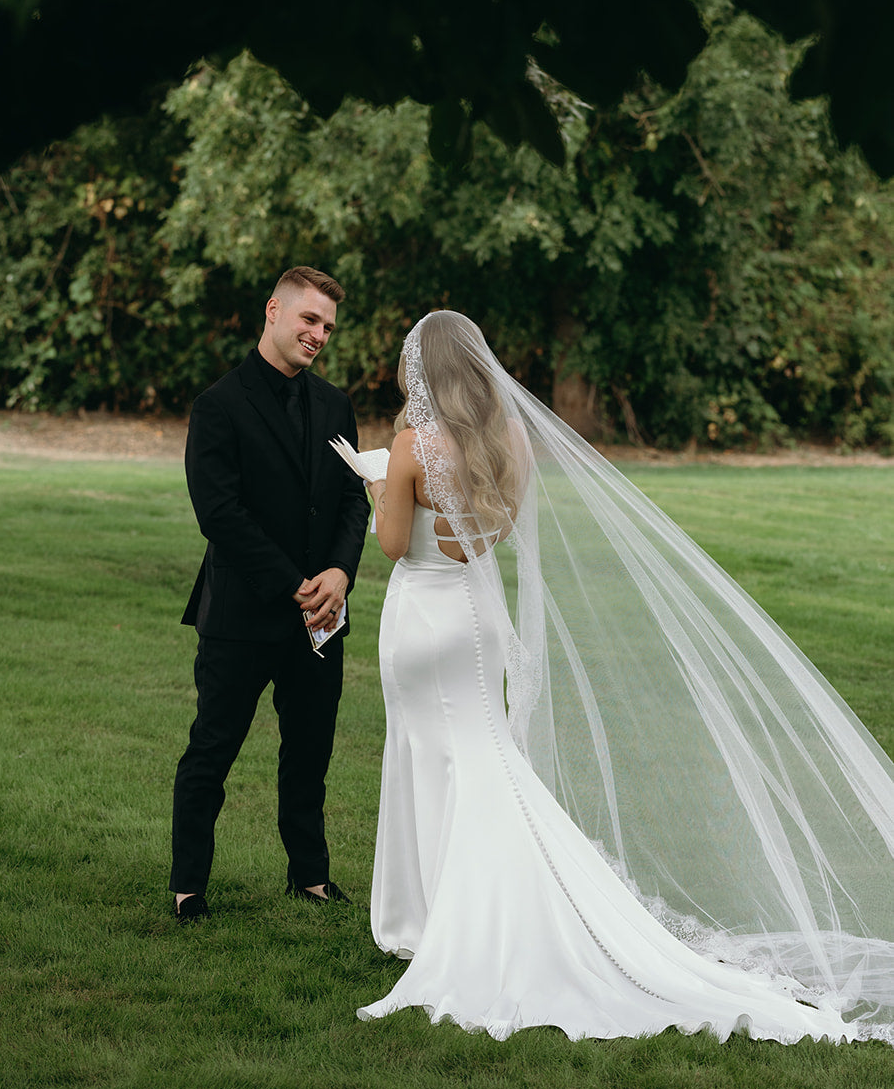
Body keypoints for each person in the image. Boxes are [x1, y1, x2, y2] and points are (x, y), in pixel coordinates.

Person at [357, 309, 894, 1042]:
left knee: (427, 752)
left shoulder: (412, 445)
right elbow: (495, 533)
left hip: (420, 619)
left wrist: (380, 485)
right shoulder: (509, 438)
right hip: (476, 618)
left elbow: (393, 544)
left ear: (422, 373)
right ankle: (462, 906)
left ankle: (424, 917)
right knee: (481, 754)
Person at [171, 267, 370, 923]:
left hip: (322, 614)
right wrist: (293, 584)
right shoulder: (218, 405)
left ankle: (309, 877)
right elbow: (220, 515)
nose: (318, 335)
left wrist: (340, 574)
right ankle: (187, 887)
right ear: (274, 311)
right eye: (309, 320)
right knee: (212, 748)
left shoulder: (336, 405)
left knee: (310, 750)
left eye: (328, 327)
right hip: (241, 612)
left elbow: (349, 501)